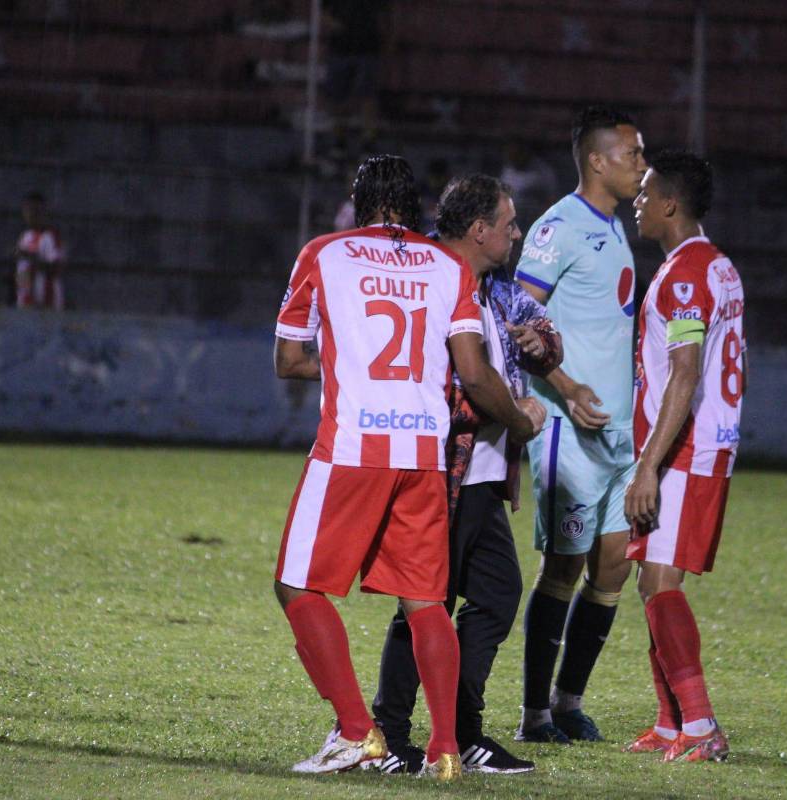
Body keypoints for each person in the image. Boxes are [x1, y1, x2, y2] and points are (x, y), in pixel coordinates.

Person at [272, 155, 542, 780]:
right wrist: (518, 418)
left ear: (358, 203)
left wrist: (349, 360)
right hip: (424, 451)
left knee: (297, 585)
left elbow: (290, 359)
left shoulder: (324, 253)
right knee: (424, 601)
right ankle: (444, 751)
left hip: (353, 446)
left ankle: (356, 733)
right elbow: (471, 370)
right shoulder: (447, 266)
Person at [369, 174, 560, 775]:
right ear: (479, 230)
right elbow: (450, 385)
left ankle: (461, 729)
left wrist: (539, 345)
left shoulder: (494, 286)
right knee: (427, 602)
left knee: (495, 595)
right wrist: (519, 415)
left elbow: (545, 333)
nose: (517, 234)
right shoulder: (425, 276)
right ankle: (389, 734)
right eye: (509, 224)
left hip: (480, 476)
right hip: (437, 473)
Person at [513, 105, 647, 744]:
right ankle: (534, 714)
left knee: (613, 569)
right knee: (563, 568)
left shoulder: (616, 226)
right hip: (569, 430)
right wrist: (565, 387)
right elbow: (517, 321)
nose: (642, 166)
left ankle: (569, 702)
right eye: (633, 154)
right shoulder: (558, 227)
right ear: (597, 160)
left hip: (619, 434)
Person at [624, 149, 745, 762]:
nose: (637, 201)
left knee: (659, 581)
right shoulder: (715, 264)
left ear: (670, 204)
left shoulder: (685, 275)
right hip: (696, 445)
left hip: (686, 450)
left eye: (646, 192)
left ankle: (699, 724)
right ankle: (671, 722)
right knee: (651, 581)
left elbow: (685, 372)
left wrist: (648, 465)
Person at [14, 191, 66, 310]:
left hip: (47, 304)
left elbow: (57, 268)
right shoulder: (25, 237)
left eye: (36, 211)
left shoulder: (51, 237)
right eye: (28, 210)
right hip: (25, 303)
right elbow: (22, 270)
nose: (31, 214)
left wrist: (30, 257)